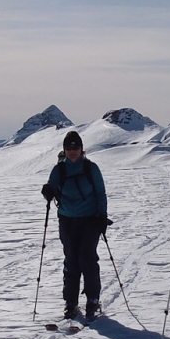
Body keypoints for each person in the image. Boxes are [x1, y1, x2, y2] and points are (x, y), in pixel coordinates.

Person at [41, 131, 110, 321]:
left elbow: (100, 194)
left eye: (75, 147)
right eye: (69, 148)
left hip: (90, 220)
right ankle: (70, 304)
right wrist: (47, 192)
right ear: (64, 149)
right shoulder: (59, 170)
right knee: (71, 261)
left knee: (87, 259)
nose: (72, 151)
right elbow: (51, 191)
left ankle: (92, 302)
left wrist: (102, 217)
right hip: (67, 220)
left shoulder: (90, 168)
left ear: (81, 149)